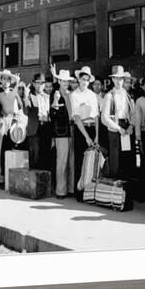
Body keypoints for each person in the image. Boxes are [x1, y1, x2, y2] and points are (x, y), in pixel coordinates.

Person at [101, 66, 136, 180]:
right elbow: (105, 118)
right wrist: (118, 128)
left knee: (126, 157)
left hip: (126, 127)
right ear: (112, 80)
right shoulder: (109, 96)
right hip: (114, 128)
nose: (118, 81)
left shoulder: (127, 95)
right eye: (116, 78)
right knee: (115, 158)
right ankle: (114, 189)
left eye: (121, 79)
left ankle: (125, 189)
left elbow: (133, 113)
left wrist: (131, 125)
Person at [71, 66, 100, 200]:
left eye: (87, 80)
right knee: (80, 160)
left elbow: (96, 116)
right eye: (83, 79)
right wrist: (87, 137)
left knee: (92, 161)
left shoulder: (92, 95)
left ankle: (90, 192)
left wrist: (96, 135)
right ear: (78, 79)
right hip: (81, 130)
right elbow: (76, 118)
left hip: (92, 128)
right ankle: (79, 192)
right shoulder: (74, 95)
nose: (84, 83)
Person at [0, 69, 23, 188]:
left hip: (12, 121)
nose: (6, 82)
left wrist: (17, 119)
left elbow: (20, 107)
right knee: (0, 150)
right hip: (1, 121)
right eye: (4, 79)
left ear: (11, 82)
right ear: (1, 81)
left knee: (11, 148)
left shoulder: (14, 93)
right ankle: (0, 177)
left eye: (8, 80)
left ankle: (9, 176)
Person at [49, 69, 75, 199]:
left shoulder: (71, 94)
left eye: (67, 81)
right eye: (63, 80)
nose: (65, 83)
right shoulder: (55, 93)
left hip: (73, 129)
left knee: (71, 161)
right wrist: (54, 104)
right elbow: (51, 115)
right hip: (61, 131)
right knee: (62, 162)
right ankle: (61, 190)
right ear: (59, 81)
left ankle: (71, 188)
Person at [25, 73, 51, 170]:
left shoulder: (47, 97)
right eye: (38, 83)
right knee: (35, 154)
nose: (40, 85)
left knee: (45, 154)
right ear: (33, 83)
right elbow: (27, 110)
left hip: (46, 127)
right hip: (34, 129)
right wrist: (26, 96)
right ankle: (34, 181)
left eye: (42, 83)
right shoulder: (30, 96)